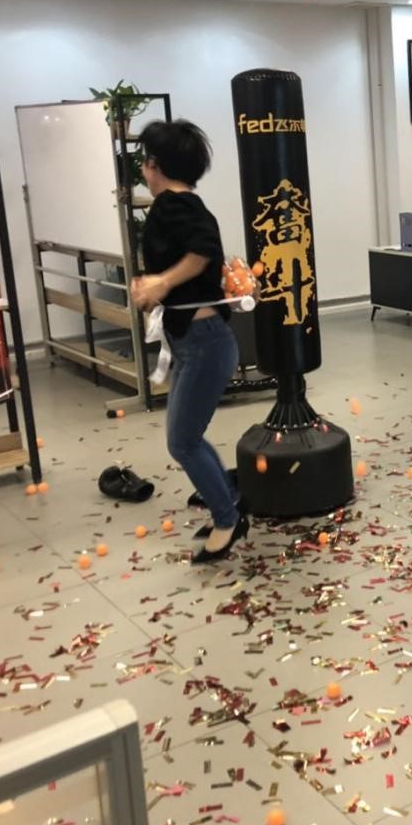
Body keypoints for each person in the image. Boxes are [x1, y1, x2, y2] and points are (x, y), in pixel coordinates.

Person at [129, 120, 247, 565]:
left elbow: (201, 253)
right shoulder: (185, 205)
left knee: (182, 441)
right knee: (187, 436)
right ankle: (229, 503)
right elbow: (197, 254)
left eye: (146, 162)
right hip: (196, 341)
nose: (144, 170)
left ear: (154, 165)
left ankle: (227, 519)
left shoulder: (173, 205)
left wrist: (161, 282)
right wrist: (156, 287)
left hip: (204, 343)